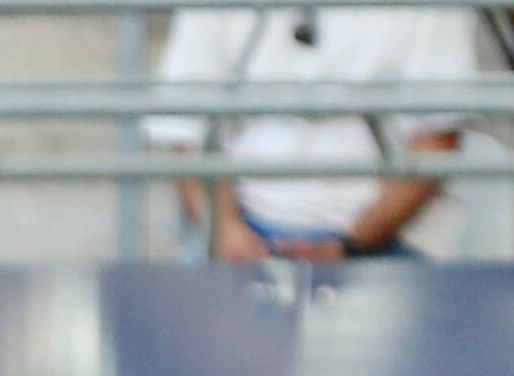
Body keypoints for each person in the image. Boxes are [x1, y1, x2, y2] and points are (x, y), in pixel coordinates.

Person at [142, 4, 484, 260]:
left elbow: (436, 141)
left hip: (391, 243)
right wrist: (228, 234)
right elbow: (188, 133)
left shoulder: (436, 12)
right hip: (244, 234)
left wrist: (351, 247)